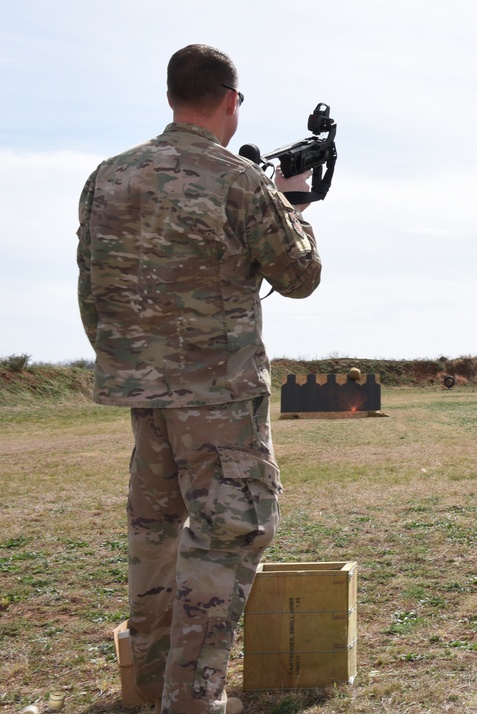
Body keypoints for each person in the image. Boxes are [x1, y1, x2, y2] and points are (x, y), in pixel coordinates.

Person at [76, 44, 322, 714]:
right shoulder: (238, 183)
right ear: (230, 100)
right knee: (228, 538)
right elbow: (298, 277)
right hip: (219, 401)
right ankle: (191, 702)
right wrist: (292, 201)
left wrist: (132, 368)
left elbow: (92, 291)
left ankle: (148, 694)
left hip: (144, 399)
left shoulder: (107, 178)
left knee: (155, 544)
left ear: (171, 97)